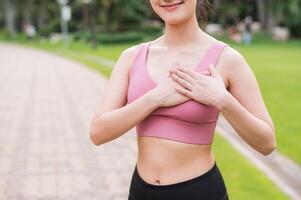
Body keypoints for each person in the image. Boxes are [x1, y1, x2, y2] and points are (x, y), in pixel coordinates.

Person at [89, 0, 276, 199]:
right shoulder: (131, 57)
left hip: (200, 192)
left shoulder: (227, 59)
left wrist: (223, 100)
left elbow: (267, 143)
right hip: (141, 192)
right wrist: (154, 98)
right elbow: (98, 133)